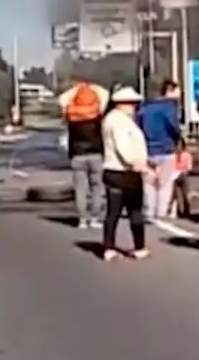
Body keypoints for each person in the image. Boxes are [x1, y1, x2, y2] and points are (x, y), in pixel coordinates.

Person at [99, 86, 150, 261]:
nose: (134, 107)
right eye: (132, 103)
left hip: (115, 170)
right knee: (133, 210)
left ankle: (109, 246)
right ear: (122, 104)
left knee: (114, 212)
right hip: (124, 171)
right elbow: (123, 145)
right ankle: (138, 246)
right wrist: (136, 163)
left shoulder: (114, 119)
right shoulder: (119, 121)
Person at [59, 73, 109, 228]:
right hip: (96, 153)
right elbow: (105, 94)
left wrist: (77, 89)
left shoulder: (70, 113)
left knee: (80, 188)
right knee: (97, 187)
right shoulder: (98, 113)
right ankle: (94, 218)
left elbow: (62, 99)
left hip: (77, 154)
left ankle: (82, 219)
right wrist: (90, 87)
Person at [136, 79, 182, 219]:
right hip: (166, 149)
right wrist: (178, 139)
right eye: (177, 91)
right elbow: (174, 128)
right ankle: (161, 214)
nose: (179, 94)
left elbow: (138, 128)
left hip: (147, 149)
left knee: (149, 183)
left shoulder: (144, 108)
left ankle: (149, 212)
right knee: (165, 184)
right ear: (169, 91)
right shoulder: (169, 108)